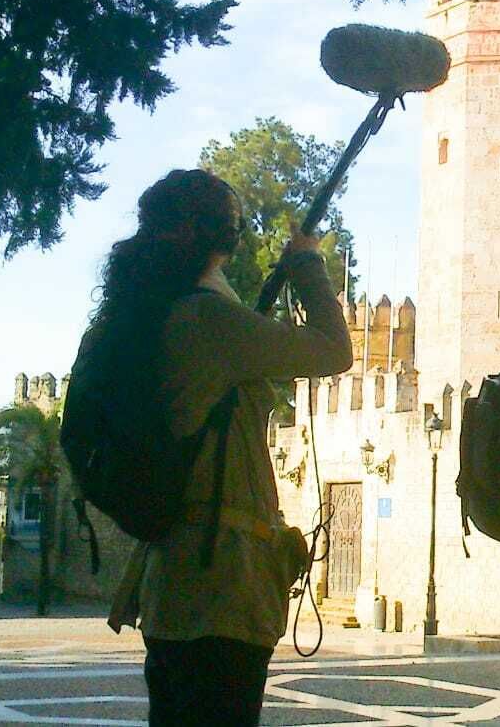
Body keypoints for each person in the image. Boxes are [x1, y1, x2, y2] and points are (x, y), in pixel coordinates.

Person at [98, 169, 353, 725]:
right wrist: (307, 262)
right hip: (223, 584)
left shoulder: (136, 314)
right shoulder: (206, 318)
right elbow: (334, 351)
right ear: (226, 238)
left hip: (169, 579)